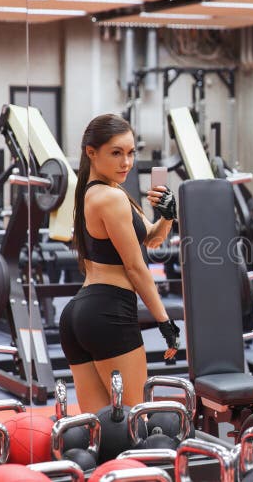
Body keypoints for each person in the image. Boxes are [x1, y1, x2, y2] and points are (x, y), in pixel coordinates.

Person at [59, 114, 180, 413]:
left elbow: (151, 239)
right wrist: (164, 320)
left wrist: (168, 215)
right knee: (133, 419)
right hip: (108, 313)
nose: (125, 162)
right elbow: (136, 267)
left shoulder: (100, 192)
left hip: (78, 314)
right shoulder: (111, 197)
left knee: (97, 429)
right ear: (91, 152)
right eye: (116, 153)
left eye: (130, 153)